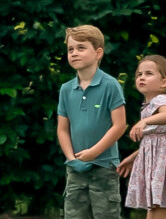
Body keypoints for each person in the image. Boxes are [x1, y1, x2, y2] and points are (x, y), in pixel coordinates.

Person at [57, 24, 127, 219]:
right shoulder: (66, 89)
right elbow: (62, 129)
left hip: (104, 166)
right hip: (75, 169)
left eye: (81, 48)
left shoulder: (110, 85)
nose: (74, 53)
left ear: (98, 53)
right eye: (70, 49)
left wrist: (93, 153)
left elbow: (120, 125)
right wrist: (72, 159)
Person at [117, 55, 166, 219]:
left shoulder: (161, 99)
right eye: (139, 74)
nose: (142, 77)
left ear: (164, 82)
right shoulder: (149, 104)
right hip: (159, 169)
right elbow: (156, 143)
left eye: (148, 73)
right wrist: (134, 157)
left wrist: (143, 122)